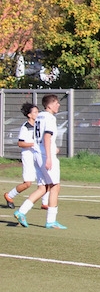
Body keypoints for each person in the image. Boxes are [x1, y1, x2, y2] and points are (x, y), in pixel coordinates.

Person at [15, 94, 65, 229]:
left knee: (43, 187)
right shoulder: (50, 118)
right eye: (56, 103)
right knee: (55, 186)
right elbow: (47, 136)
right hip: (45, 155)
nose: (58, 105)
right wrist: (49, 156)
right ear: (49, 105)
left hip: (37, 154)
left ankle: (21, 212)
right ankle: (51, 221)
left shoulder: (40, 116)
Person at [5, 103, 42, 210]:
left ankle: (45, 203)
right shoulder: (25, 127)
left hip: (38, 155)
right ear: (29, 115)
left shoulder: (39, 125)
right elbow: (20, 143)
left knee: (44, 179)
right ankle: (9, 195)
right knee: (27, 183)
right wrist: (33, 144)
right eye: (35, 112)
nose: (38, 114)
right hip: (28, 156)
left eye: (38, 111)